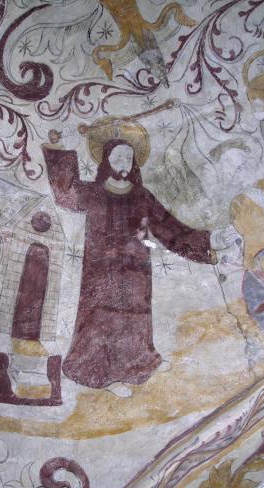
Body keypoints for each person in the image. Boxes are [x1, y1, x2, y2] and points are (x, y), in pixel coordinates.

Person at [42, 120, 233, 397]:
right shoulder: (94, 192)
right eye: (118, 156)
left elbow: (169, 229)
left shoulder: (142, 196)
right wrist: (60, 149)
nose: (124, 161)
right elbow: (66, 194)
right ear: (107, 160)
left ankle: (136, 366)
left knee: (135, 316)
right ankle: (101, 375)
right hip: (101, 270)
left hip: (135, 270)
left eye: (128, 157)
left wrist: (209, 243)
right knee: (101, 318)